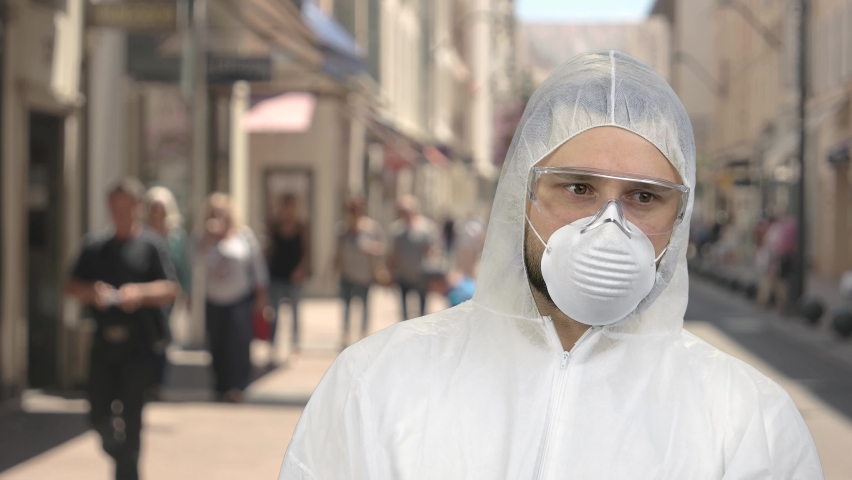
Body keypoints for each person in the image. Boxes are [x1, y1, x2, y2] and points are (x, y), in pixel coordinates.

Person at [278, 51, 822, 478]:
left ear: (678, 220)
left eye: (644, 197)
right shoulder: (378, 384)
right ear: (523, 196)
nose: (609, 226)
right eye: (578, 187)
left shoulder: (748, 423)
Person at [65, 178, 178, 480]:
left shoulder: (151, 245)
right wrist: (92, 292)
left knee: (132, 418)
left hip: (138, 346)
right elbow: (70, 285)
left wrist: (138, 294)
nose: (120, 213)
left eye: (126, 207)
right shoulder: (95, 246)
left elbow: (170, 289)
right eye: (115, 208)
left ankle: (127, 473)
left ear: (137, 208)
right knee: (98, 415)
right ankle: (123, 461)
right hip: (103, 345)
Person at [194, 193, 269, 403]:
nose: (218, 217)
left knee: (238, 343)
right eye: (213, 213)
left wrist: (262, 297)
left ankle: (238, 386)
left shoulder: (244, 236)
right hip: (214, 299)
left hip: (239, 298)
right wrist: (209, 239)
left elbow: (258, 268)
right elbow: (193, 262)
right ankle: (220, 386)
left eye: (221, 213)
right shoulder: (202, 238)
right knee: (217, 344)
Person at [144, 186, 191, 396]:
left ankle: (157, 382)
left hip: (169, 294)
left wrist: (186, 292)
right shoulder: (142, 232)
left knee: (162, 336)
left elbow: (183, 266)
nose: (156, 213)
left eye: (160, 208)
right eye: (153, 208)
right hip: (145, 292)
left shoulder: (176, 235)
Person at [334, 196, 386, 348]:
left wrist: (368, 247)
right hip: (347, 274)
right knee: (346, 307)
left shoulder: (371, 227)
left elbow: (382, 248)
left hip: (365, 276)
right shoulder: (343, 229)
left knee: (364, 307)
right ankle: (345, 335)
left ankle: (364, 335)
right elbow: (337, 252)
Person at [267, 194, 311, 353]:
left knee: (295, 312)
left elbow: (306, 252)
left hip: (294, 276)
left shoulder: (301, 227)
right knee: (274, 314)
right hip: (277, 274)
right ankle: (273, 346)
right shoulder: (275, 226)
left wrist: (301, 270)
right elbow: (269, 249)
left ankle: (295, 346)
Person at [387, 195, 440, 320]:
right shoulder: (396, 229)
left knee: (421, 310)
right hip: (403, 274)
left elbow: (433, 250)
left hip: (421, 274)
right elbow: (393, 253)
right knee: (403, 310)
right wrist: (390, 272)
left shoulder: (425, 227)